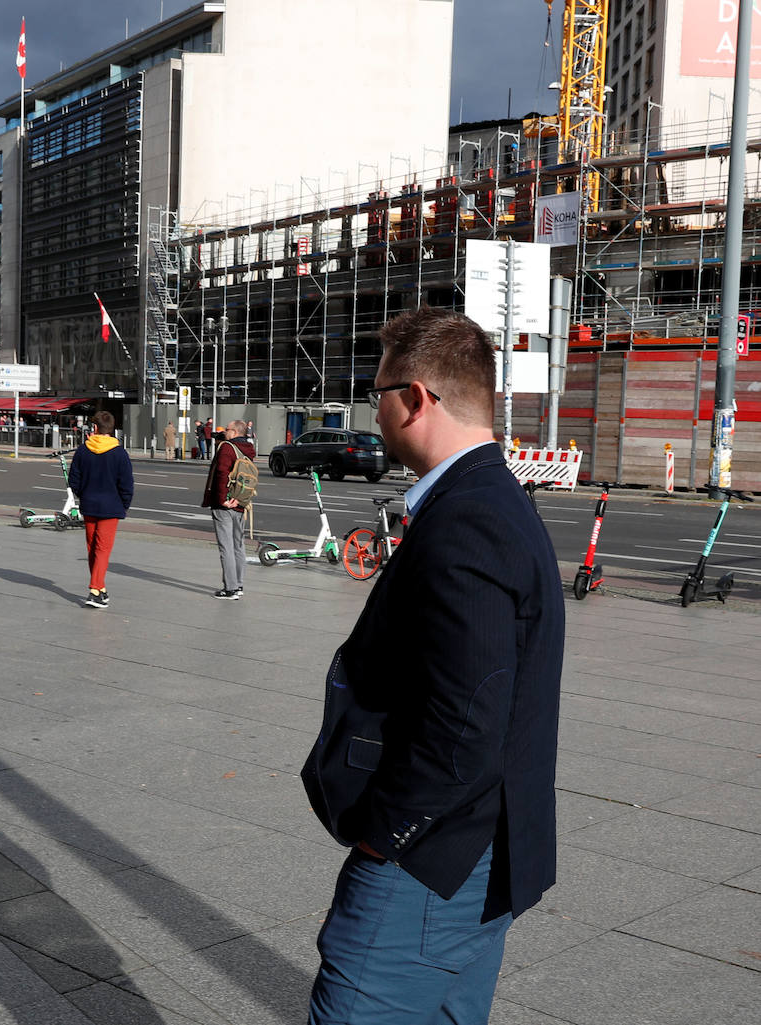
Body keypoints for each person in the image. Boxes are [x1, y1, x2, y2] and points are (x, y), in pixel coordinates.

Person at [301, 307, 565, 1025]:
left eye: (376, 390)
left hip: (432, 862)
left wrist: (387, 835)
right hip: (482, 854)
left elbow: (468, 718)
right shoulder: (497, 499)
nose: (372, 406)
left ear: (415, 398)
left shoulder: (468, 518)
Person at [67, 410, 134, 609]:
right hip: (111, 507)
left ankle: (101, 588)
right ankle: (94, 590)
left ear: (95, 428)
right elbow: (127, 484)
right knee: (103, 549)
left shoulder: (83, 450)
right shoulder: (120, 453)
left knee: (92, 549)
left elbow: (74, 480)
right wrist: (124, 505)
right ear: (111, 429)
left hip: (89, 505)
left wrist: (84, 495)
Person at [201, 419, 253, 599]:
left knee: (226, 547)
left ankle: (230, 589)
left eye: (227, 429)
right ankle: (238, 585)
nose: (224, 432)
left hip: (225, 504)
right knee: (238, 545)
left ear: (235, 432)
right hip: (241, 502)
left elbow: (222, 473)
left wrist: (222, 499)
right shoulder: (248, 450)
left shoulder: (227, 448)